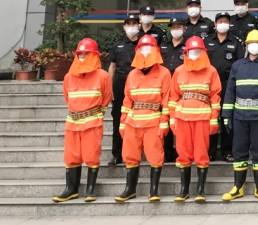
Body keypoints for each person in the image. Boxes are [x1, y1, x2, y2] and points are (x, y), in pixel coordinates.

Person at [221, 30, 258, 201]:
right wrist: (226, 115)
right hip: (239, 117)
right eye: (251, 43)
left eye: (257, 43)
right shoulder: (237, 65)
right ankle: (237, 187)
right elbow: (230, 92)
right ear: (246, 46)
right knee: (238, 151)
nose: (254, 46)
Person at [53, 38, 112, 203]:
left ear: (94, 56)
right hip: (73, 122)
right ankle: (71, 189)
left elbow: (106, 98)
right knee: (71, 156)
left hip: (92, 122)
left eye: (86, 54)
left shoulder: (103, 76)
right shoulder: (68, 77)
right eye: (80, 54)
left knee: (92, 155)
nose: (82, 57)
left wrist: (95, 114)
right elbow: (67, 97)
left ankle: (90, 189)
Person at [114, 34, 171, 202]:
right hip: (132, 122)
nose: (145, 52)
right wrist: (123, 123)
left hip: (153, 121)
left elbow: (167, 101)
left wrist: (164, 122)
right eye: (142, 49)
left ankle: (154, 190)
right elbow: (127, 101)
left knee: (155, 156)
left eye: (149, 48)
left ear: (156, 51)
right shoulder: (132, 74)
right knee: (130, 155)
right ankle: (130, 189)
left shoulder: (164, 73)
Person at [168, 36, 221, 202]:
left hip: (202, 118)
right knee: (183, 153)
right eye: (191, 51)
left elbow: (215, 97)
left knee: (201, 153)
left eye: (198, 51)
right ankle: (184, 190)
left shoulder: (211, 71)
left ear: (204, 52)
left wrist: (214, 119)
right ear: (185, 53)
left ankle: (200, 190)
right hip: (182, 117)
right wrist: (172, 119)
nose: (194, 54)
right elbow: (173, 97)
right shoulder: (178, 71)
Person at [205, 12, 245, 162]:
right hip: (209, 85)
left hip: (228, 84)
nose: (223, 24)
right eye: (220, 21)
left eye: (226, 21)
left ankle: (227, 151)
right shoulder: (207, 41)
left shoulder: (236, 42)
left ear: (229, 24)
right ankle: (210, 151)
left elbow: (240, 64)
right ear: (215, 24)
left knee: (227, 118)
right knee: (211, 117)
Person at [107, 12, 140, 166]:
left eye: (134, 24)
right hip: (120, 82)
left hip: (138, 83)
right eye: (129, 24)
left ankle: (136, 152)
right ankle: (117, 153)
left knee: (139, 117)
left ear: (139, 26)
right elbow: (112, 67)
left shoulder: (143, 44)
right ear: (124, 27)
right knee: (118, 118)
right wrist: (110, 88)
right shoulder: (118, 45)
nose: (131, 27)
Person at [161, 16, 188, 163]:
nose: (175, 30)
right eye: (173, 27)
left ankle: (181, 152)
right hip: (165, 86)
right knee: (166, 117)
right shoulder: (163, 46)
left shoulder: (188, 46)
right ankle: (167, 152)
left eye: (178, 27)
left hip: (182, 87)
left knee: (180, 121)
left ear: (184, 29)